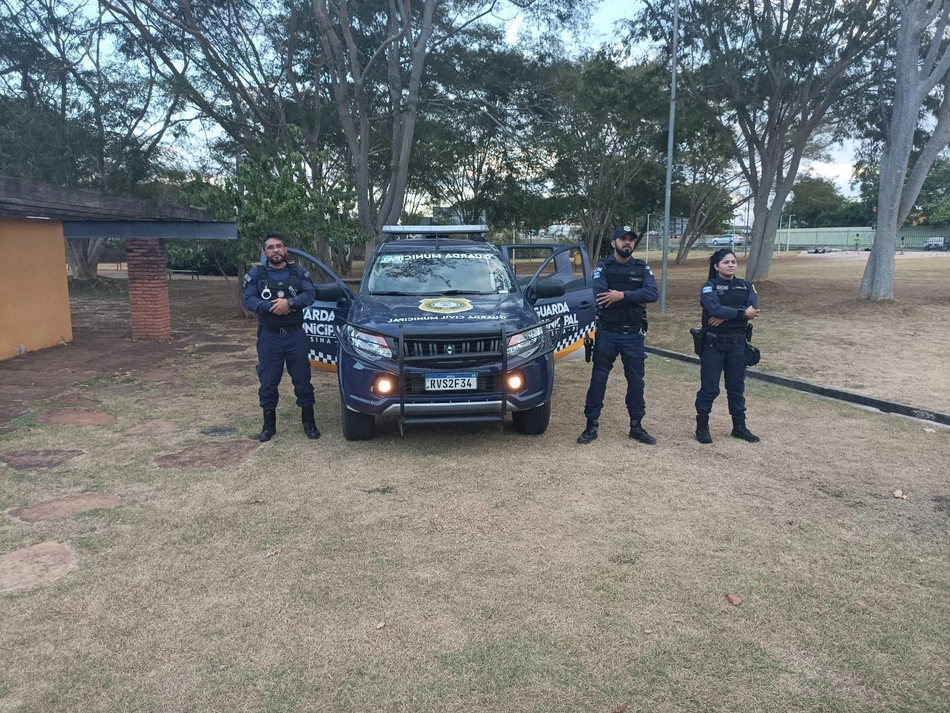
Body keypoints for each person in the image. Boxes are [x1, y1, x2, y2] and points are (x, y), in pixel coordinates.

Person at [577, 227, 659, 445]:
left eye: (631, 240)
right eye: (623, 239)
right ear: (614, 243)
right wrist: (636, 298)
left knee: (636, 382)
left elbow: (653, 294)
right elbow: (601, 297)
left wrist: (621, 295)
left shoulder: (642, 267)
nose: (628, 243)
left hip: (633, 334)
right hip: (608, 334)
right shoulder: (603, 267)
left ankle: (636, 426)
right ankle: (591, 425)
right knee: (598, 380)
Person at [242, 232, 320, 441]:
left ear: (285, 250)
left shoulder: (298, 271)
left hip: (295, 335)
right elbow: (249, 300)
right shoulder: (256, 274)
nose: (275, 250)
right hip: (270, 337)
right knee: (268, 381)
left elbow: (310, 294)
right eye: (270, 247)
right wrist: (271, 307)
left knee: (303, 380)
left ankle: (309, 423)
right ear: (264, 252)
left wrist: (290, 303)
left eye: (279, 246)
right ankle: (269, 426)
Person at [694, 248, 760, 444]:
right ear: (716, 266)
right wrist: (741, 313)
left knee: (736, 387)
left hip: (738, 344)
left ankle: (739, 427)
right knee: (709, 388)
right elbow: (713, 308)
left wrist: (725, 316)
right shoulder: (709, 287)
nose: (731, 265)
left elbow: (753, 310)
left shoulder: (746, 286)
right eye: (726, 262)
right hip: (714, 345)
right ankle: (702, 426)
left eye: (733, 262)